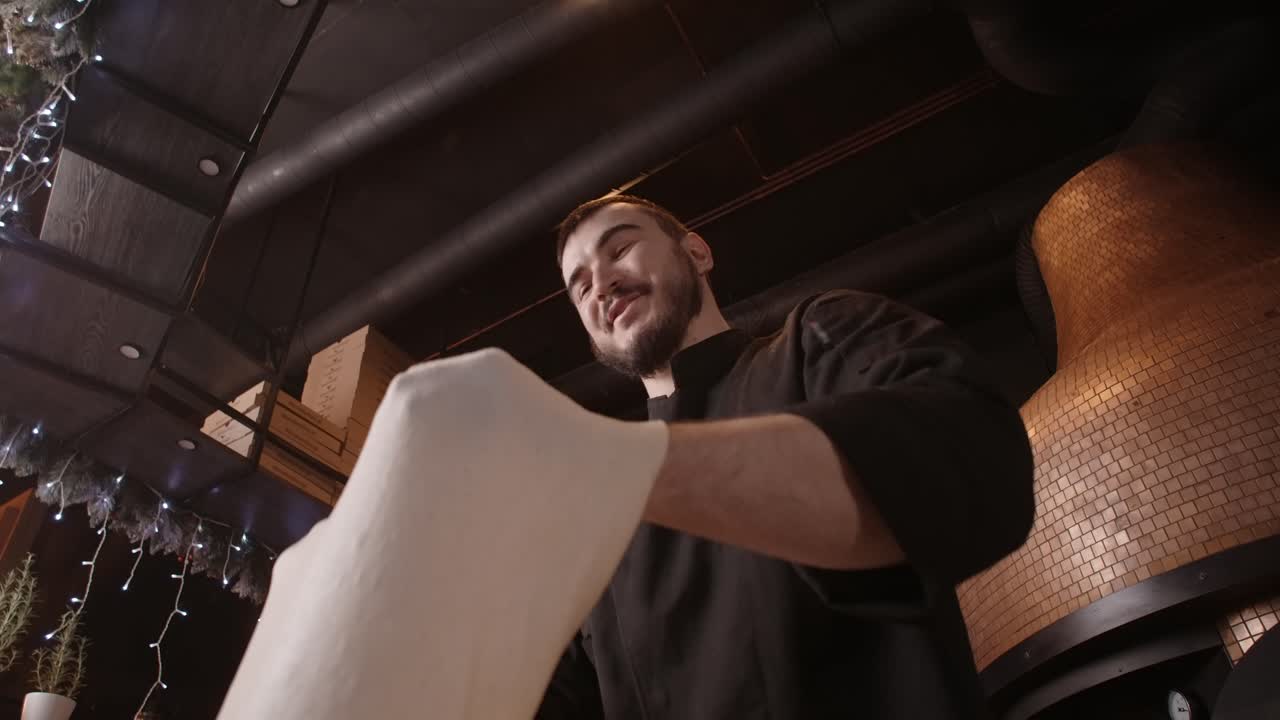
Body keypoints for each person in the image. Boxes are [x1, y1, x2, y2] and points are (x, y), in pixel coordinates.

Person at [537, 194, 1036, 719]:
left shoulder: (820, 339)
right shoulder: (593, 538)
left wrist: (612, 465)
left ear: (697, 253)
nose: (603, 284)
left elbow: (974, 447)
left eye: (620, 248)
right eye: (582, 287)